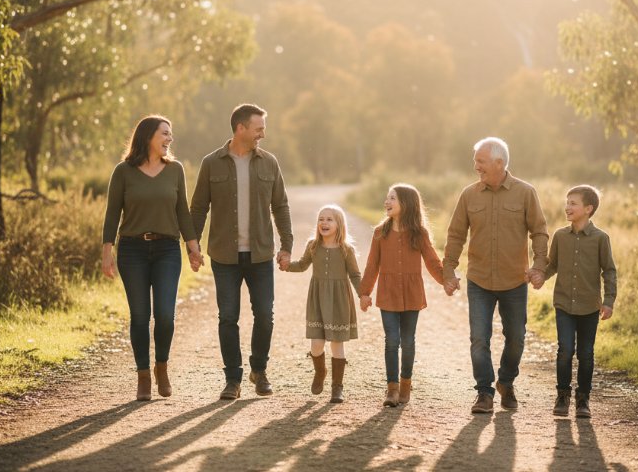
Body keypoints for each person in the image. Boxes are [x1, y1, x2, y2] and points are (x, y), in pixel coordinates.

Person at [190, 103, 293, 401]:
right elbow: (199, 208)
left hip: (260, 254)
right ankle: (232, 379)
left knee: (264, 315)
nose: (263, 134)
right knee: (228, 317)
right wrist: (193, 244)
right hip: (225, 256)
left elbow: (281, 206)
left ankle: (259, 371)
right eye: (259, 128)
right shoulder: (212, 163)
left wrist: (287, 245)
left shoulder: (269, 163)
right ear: (241, 128)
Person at [442, 137, 549, 414]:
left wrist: (539, 267)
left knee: (517, 337)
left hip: (514, 279)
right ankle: (484, 392)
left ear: (499, 163)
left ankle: (506, 381)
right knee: (479, 338)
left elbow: (539, 231)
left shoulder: (526, 193)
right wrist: (448, 269)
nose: (475, 166)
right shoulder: (469, 195)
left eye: (481, 161)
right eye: (476, 160)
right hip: (479, 280)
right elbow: (455, 235)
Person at [102, 115, 203, 401]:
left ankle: (162, 366)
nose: (170, 139)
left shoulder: (175, 170)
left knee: (165, 316)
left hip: (167, 250)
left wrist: (193, 248)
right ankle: (143, 376)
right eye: (165, 133)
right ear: (148, 136)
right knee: (139, 316)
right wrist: (106, 253)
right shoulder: (123, 171)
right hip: (132, 250)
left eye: (171, 134)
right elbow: (112, 214)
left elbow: (182, 212)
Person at [359, 183, 452, 407]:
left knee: (408, 341)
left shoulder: (419, 233)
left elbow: (432, 261)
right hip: (388, 293)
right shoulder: (380, 233)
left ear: (406, 204)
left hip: (411, 294)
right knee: (392, 340)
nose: (387, 202)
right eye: (387, 197)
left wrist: (445, 280)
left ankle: (405, 385)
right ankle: (391, 390)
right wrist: (364, 292)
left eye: (393, 198)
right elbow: (372, 265)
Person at [543, 185, 617, 419]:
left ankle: (583, 399)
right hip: (564, 303)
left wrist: (609, 301)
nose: (567, 207)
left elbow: (609, 271)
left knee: (586, 354)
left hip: (588, 307)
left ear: (588, 208)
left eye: (573, 203)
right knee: (565, 350)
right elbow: (552, 265)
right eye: (567, 202)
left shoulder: (600, 239)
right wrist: (537, 276)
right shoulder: (560, 236)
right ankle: (562, 395)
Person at [281, 205, 361, 403]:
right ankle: (320, 371)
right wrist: (286, 266)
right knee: (316, 346)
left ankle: (337, 388)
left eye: (329, 219)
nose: (324, 223)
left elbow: (355, 274)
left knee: (337, 344)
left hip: (339, 301)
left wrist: (363, 294)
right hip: (318, 299)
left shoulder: (346, 249)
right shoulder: (313, 246)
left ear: (339, 224)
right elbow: (301, 265)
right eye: (321, 219)